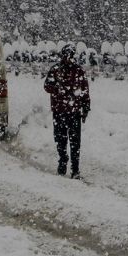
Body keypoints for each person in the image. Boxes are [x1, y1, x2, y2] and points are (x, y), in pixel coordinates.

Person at [44, 44, 90, 179]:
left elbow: (84, 90)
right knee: (60, 139)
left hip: (74, 111)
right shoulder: (55, 70)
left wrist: (85, 107)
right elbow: (47, 86)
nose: (70, 58)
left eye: (72, 55)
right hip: (59, 111)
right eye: (68, 55)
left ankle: (75, 169)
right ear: (63, 56)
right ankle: (63, 160)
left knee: (75, 141)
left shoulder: (79, 71)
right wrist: (57, 88)